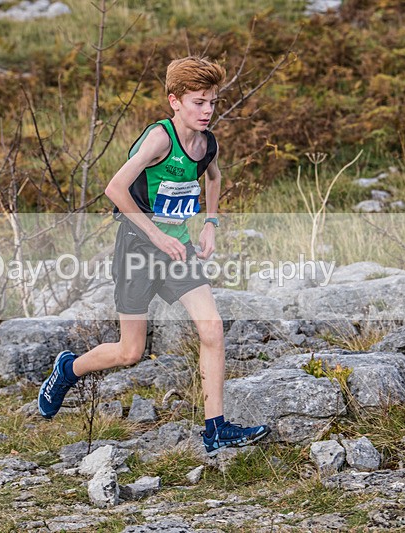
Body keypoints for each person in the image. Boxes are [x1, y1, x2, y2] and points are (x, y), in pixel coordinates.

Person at [38, 56, 270, 454]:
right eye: (198, 102)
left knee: (211, 329)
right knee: (131, 352)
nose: (208, 110)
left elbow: (213, 176)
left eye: (212, 101)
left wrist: (211, 223)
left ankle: (215, 429)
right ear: (174, 101)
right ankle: (68, 368)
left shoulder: (207, 142)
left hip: (179, 250)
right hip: (138, 248)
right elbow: (115, 189)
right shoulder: (160, 139)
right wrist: (155, 236)